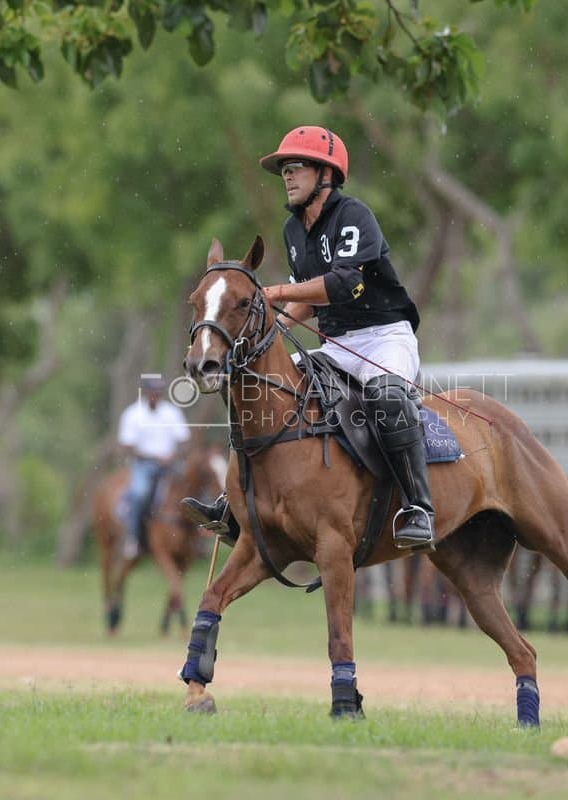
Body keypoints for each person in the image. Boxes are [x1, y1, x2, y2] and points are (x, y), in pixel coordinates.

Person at [182, 125, 435, 550]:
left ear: (326, 174)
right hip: (336, 345)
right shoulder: (293, 232)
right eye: (285, 169)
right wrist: (271, 332)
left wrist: (275, 293)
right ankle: (234, 501)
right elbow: (311, 301)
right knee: (262, 388)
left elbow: (341, 284)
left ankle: (419, 508)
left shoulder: (353, 216)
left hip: (384, 337)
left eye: (296, 167)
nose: (287, 175)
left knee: (388, 398)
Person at [118, 375, 190, 557]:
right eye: (152, 392)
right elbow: (127, 446)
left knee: (193, 489)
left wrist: (173, 455)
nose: (155, 395)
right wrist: (154, 457)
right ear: (145, 392)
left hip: (170, 465)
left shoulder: (172, 413)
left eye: (158, 392)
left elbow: (183, 440)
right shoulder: (133, 414)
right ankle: (133, 538)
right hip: (144, 465)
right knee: (139, 494)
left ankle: (198, 537)